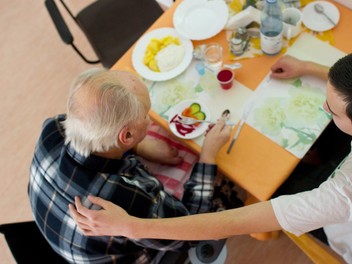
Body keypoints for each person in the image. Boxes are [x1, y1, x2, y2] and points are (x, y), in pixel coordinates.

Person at [69, 48, 352, 263]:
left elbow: (236, 221)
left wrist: (130, 227)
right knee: (315, 149)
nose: (326, 109)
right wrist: (309, 68)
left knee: (276, 182)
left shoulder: (346, 195)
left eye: (332, 109)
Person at [28, 68, 232, 263]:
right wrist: (208, 154)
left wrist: (140, 147)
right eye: (146, 115)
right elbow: (191, 229)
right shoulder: (125, 199)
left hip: (63, 234)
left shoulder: (53, 128)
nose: (150, 119)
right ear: (126, 136)